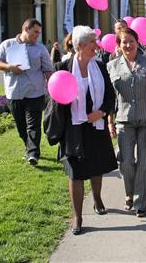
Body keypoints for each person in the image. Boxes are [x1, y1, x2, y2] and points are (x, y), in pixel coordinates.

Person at [50, 25, 118, 235]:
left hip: (95, 126)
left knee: (96, 167)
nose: (96, 46)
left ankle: (97, 199)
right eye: (91, 42)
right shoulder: (62, 67)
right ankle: (78, 216)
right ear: (79, 45)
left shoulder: (101, 67)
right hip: (73, 128)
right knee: (76, 173)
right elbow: (55, 98)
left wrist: (102, 113)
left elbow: (110, 96)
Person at [107, 28, 146, 218]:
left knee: (145, 161)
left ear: (137, 42)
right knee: (126, 161)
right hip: (124, 119)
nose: (128, 45)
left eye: (131, 41)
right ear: (119, 44)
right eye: (124, 42)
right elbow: (111, 98)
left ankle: (141, 202)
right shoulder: (112, 66)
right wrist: (110, 121)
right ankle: (129, 192)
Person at [0, 18, 54, 165]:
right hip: (14, 93)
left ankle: (33, 153)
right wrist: (10, 67)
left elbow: (48, 70)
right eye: (35, 32)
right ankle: (29, 146)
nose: (37, 35)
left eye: (39, 33)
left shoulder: (41, 49)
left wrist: (52, 90)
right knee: (21, 126)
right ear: (26, 29)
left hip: (35, 93)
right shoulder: (7, 45)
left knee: (33, 125)